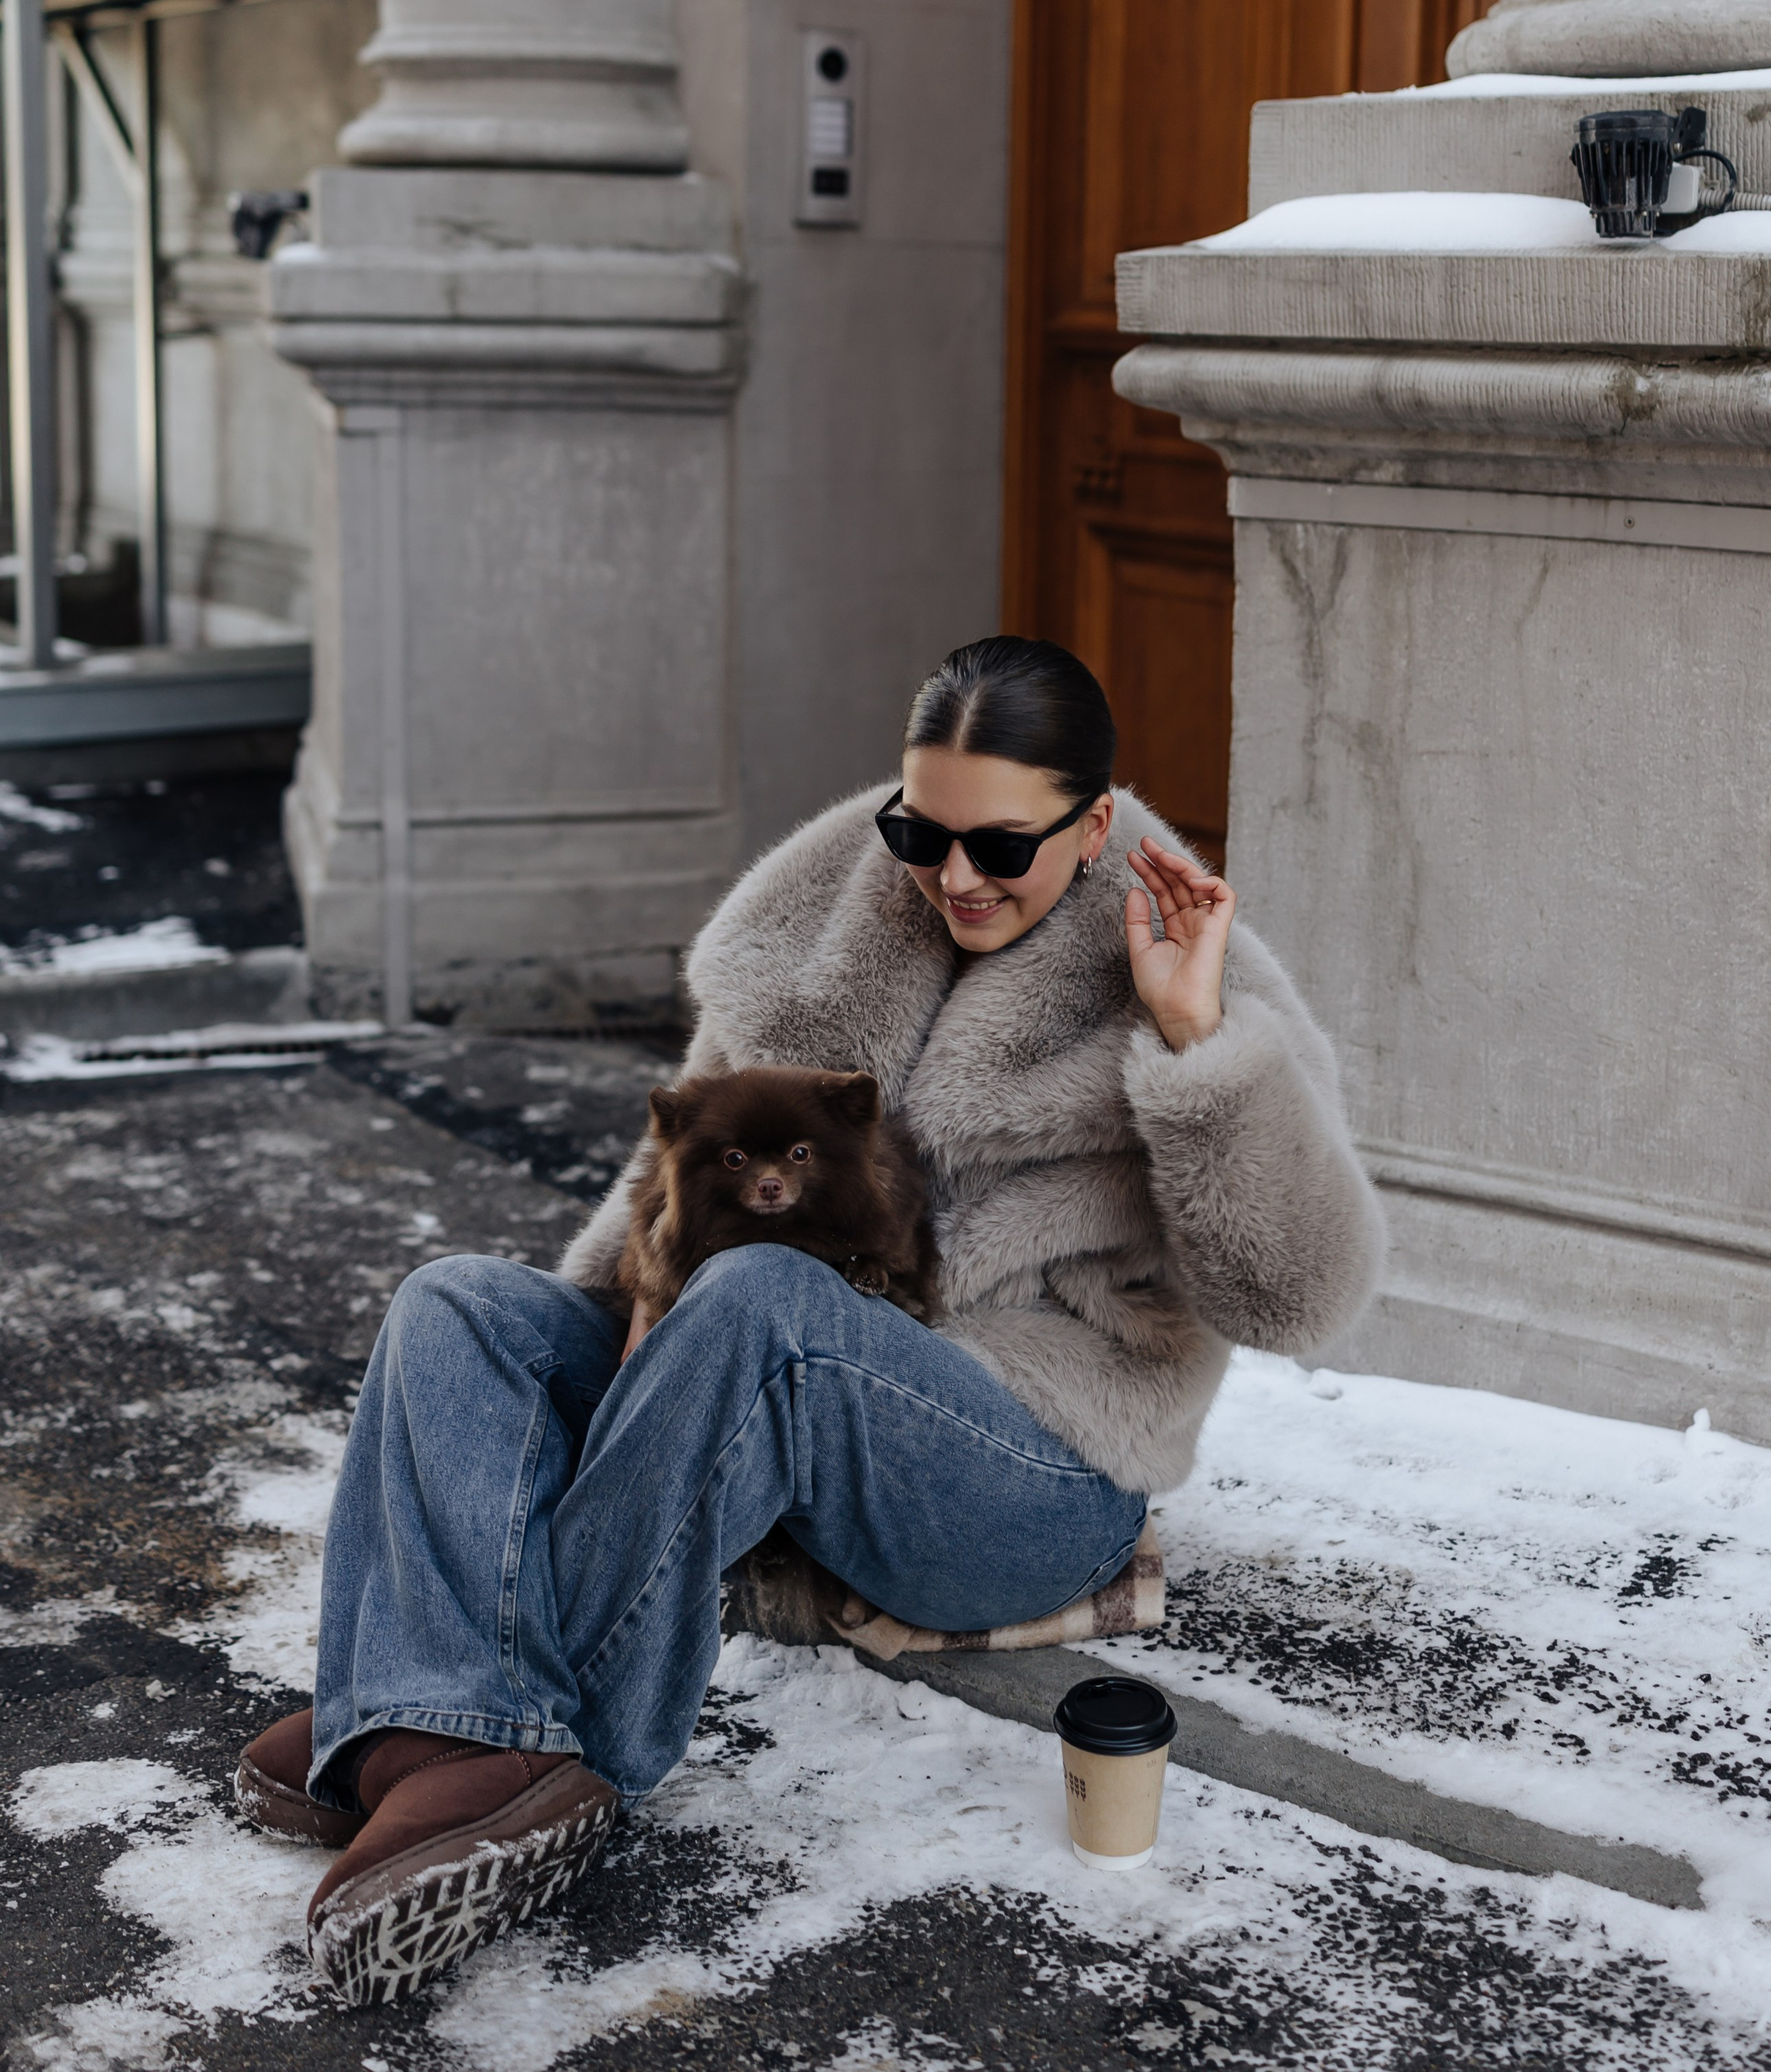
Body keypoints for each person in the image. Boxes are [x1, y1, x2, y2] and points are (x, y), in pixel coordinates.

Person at [236, 636, 1383, 2007]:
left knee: (770, 1294)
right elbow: (670, 1195)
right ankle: (448, 1717)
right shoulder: (828, 924)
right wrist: (604, 1352)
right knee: (461, 1310)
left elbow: (1297, 1297)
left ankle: (507, 1742)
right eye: (923, 832)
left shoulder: (1197, 969)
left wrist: (1197, 1046)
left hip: (1027, 1475)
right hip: (790, 1414)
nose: (955, 876)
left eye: (1001, 847)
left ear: (1094, 827)